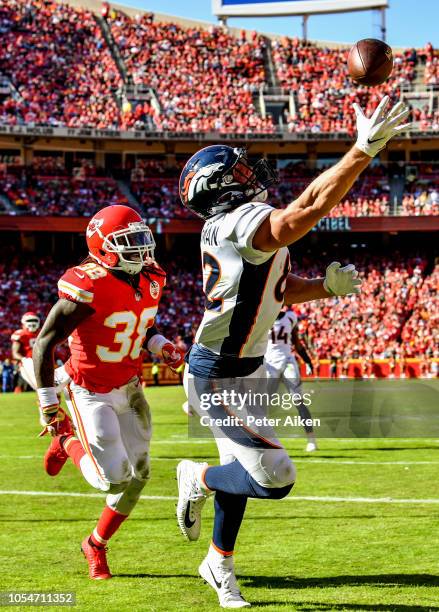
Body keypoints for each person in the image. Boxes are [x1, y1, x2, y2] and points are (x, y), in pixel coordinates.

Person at [175, 95, 410, 608]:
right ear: (219, 187)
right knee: (275, 475)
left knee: (245, 471)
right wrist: (361, 151)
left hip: (244, 370)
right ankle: (194, 478)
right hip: (217, 376)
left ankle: (218, 563)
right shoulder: (241, 223)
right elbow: (307, 209)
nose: (249, 173)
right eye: (237, 169)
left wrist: (323, 288)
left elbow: (273, 290)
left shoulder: (235, 228)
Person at [33, 205, 184, 580]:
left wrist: (162, 345)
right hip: (90, 391)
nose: (141, 250)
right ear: (103, 248)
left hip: (130, 386)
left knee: (141, 475)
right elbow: (44, 343)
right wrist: (49, 405)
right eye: (129, 243)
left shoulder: (151, 277)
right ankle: (67, 440)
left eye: (141, 240)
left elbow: (140, 326)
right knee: (113, 478)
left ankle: (95, 544)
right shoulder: (88, 283)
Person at [265, 304, 317, 451]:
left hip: (288, 362)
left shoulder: (290, 317)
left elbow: (297, 343)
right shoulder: (263, 317)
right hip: (270, 365)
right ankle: (265, 440)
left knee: (299, 401)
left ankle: (311, 440)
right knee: (262, 405)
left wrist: (307, 360)